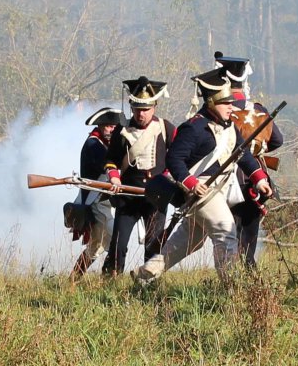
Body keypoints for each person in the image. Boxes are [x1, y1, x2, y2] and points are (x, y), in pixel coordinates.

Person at [131, 69, 274, 287]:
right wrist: (191, 183)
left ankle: (146, 272)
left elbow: (241, 154)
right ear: (211, 102)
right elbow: (174, 159)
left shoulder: (229, 127)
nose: (231, 106)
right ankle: (232, 287)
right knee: (226, 231)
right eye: (225, 102)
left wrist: (260, 178)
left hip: (220, 190)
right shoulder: (194, 127)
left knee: (189, 242)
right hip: (202, 191)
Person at [216, 53, 286, 270]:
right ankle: (247, 269)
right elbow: (277, 140)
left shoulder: (220, 110)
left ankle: (233, 275)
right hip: (256, 174)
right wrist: (257, 152)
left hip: (228, 175)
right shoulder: (259, 109)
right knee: (248, 230)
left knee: (228, 231)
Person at [105, 78, 172, 275]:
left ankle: (147, 282)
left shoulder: (166, 128)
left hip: (156, 198)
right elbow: (111, 161)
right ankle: (112, 280)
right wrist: (114, 178)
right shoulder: (121, 130)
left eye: (145, 109)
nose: (141, 114)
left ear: (154, 107)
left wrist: (167, 180)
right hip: (128, 196)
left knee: (153, 245)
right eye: (137, 109)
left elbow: (176, 158)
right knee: (118, 244)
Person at [68, 108, 121, 277]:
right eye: (108, 126)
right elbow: (108, 168)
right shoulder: (94, 144)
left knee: (95, 246)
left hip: (105, 200)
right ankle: (110, 276)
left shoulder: (106, 144)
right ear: (100, 126)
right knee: (117, 238)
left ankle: (74, 278)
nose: (112, 129)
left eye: (115, 126)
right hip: (96, 200)